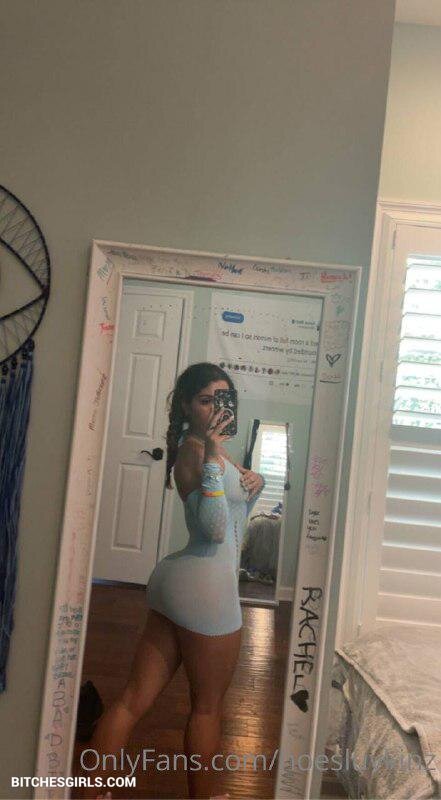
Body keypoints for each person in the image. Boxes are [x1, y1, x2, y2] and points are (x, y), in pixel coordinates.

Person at [82, 363, 265, 800]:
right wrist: (216, 459)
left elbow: (232, 512)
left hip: (177, 584)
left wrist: (255, 482)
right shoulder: (196, 452)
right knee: (206, 710)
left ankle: (90, 793)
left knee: (132, 700)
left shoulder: (208, 450)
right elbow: (215, 529)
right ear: (186, 406)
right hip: (207, 591)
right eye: (205, 400)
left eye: (223, 400)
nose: (216, 408)